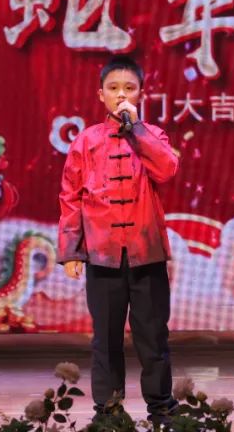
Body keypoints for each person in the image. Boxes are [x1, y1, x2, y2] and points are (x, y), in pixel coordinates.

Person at [58, 55, 180, 424]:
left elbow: (168, 169)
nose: (121, 95)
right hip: (103, 254)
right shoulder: (86, 140)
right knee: (106, 338)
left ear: (141, 93)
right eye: (113, 88)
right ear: (101, 94)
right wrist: (72, 250)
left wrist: (136, 129)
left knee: (153, 336)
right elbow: (70, 196)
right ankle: (108, 412)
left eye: (129, 88)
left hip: (146, 252)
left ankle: (162, 409)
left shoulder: (153, 136)